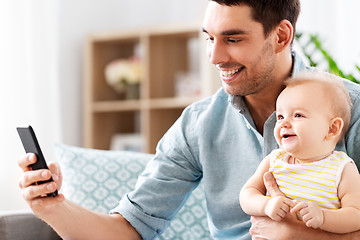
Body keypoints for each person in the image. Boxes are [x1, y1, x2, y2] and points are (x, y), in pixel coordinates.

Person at [17, 0, 360, 239]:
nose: (214, 56)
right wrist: (52, 207)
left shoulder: (350, 109)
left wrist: (306, 236)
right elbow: (128, 229)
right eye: (210, 38)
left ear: (281, 36)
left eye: (233, 39)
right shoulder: (198, 124)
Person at [240, 73, 360, 234]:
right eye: (280, 116)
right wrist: (266, 205)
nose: (284, 123)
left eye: (298, 115)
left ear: (332, 129)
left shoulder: (342, 170)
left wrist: (324, 217)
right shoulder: (274, 160)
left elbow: (356, 214)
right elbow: (247, 194)